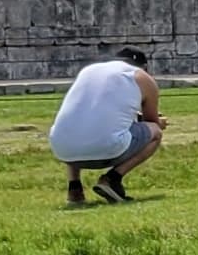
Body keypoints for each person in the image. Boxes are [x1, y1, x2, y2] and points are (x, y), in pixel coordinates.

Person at [48, 46, 161, 204]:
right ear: (145, 67)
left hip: (63, 150)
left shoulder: (88, 71)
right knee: (155, 132)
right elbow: (152, 122)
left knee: (77, 124)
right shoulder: (143, 77)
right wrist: (159, 123)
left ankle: (74, 188)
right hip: (108, 150)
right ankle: (112, 179)